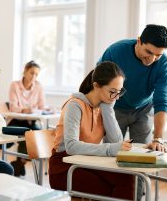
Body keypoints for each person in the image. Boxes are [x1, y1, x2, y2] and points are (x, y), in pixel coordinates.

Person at [99, 24, 167, 200]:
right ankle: (107, 196)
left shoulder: (163, 64)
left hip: (143, 109)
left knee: (141, 162)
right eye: (148, 52)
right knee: (112, 154)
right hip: (114, 107)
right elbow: (99, 83)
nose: (152, 59)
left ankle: (137, 197)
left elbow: (161, 102)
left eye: (158, 55)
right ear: (139, 41)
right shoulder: (115, 52)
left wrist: (158, 138)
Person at [49, 61, 135, 200]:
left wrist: (108, 108)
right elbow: (71, 146)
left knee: (127, 178)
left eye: (119, 92)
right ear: (96, 85)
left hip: (87, 162)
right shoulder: (74, 106)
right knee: (105, 189)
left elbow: (116, 142)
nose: (117, 97)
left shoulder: (103, 107)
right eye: (112, 92)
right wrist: (110, 149)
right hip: (65, 166)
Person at [8, 60, 52, 176]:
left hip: (31, 121)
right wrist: (24, 110)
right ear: (25, 71)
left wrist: (47, 109)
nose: (34, 76)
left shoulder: (38, 86)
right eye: (32, 73)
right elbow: (13, 107)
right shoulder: (15, 85)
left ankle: (19, 164)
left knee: (39, 138)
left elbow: (42, 106)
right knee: (28, 134)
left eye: (36, 74)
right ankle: (19, 164)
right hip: (17, 120)